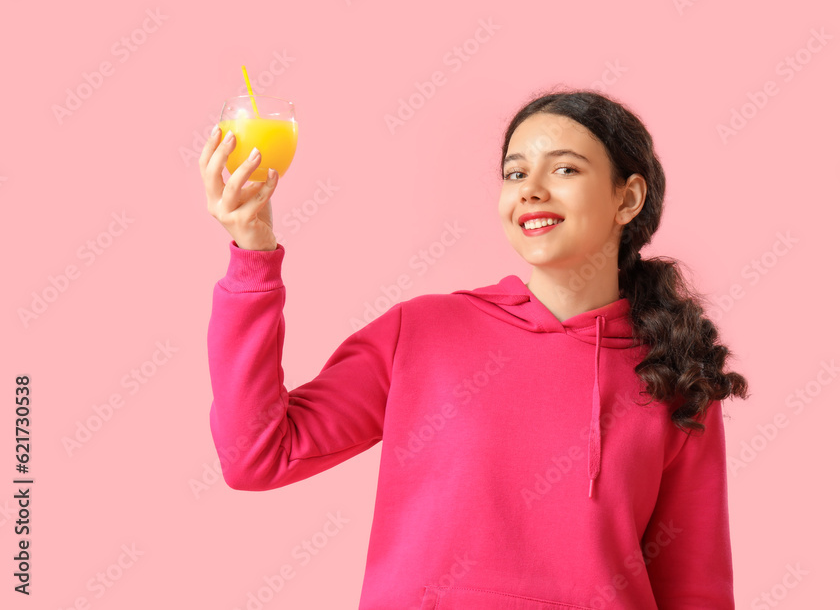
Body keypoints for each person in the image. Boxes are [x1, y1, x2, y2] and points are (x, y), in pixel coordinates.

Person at [200, 87, 750, 609]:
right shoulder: (420, 331)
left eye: (564, 168)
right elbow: (256, 456)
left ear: (626, 198)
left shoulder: (673, 373)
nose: (531, 189)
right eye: (515, 173)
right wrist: (253, 252)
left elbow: (694, 588)